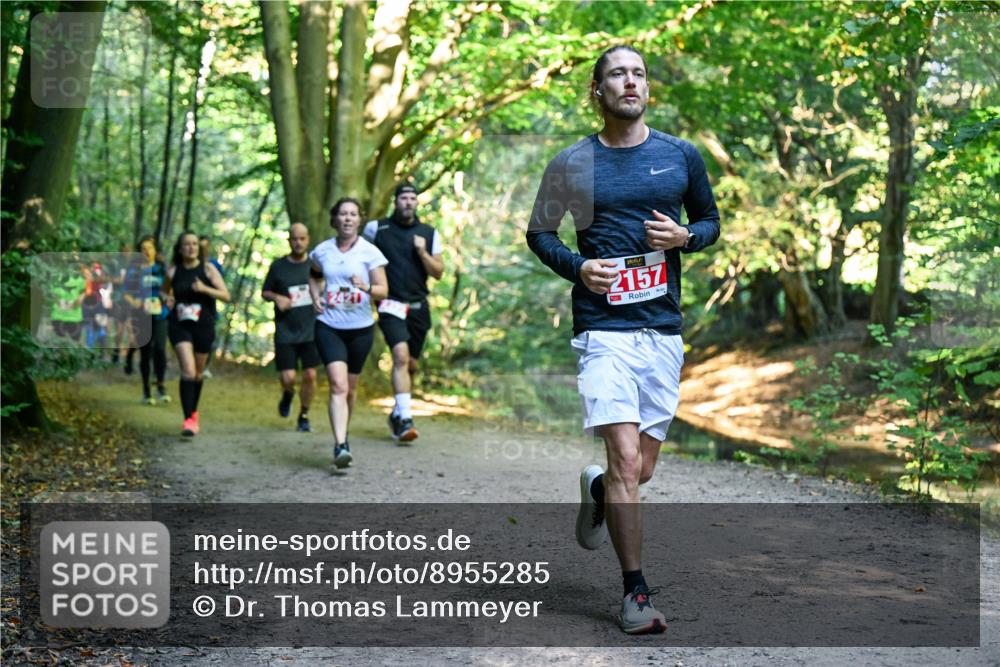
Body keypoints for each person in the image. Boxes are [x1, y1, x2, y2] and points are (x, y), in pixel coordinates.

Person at [526, 45, 720, 634]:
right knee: (626, 459)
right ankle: (635, 594)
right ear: (598, 91)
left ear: (646, 89)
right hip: (602, 329)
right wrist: (578, 268)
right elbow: (540, 233)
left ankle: (599, 489)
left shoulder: (680, 156)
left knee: (641, 472)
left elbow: (711, 223)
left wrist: (686, 237)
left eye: (637, 73)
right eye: (617, 74)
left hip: (661, 329)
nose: (629, 82)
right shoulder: (572, 162)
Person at [310, 198, 388, 468]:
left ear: (359, 220)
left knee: (351, 389)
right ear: (335, 219)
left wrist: (365, 287)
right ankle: (340, 444)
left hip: (360, 329)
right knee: (338, 385)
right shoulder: (322, 251)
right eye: (342, 214)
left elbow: (383, 290)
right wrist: (315, 296)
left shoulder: (370, 252)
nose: (347, 218)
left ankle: (344, 433)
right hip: (329, 325)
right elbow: (314, 274)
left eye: (352, 214)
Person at [363, 183, 444, 443]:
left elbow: (438, 272)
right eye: (403, 198)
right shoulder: (377, 229)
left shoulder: (429, 233)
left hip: (419, 307)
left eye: (412, 198)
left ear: (417, 203)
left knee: (410, 365)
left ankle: (397, 412)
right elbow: (361, 258)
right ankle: (407, 419)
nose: (408, 202)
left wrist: (421, 251)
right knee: (400, 356)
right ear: (395, 201)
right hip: (390, 304)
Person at [162, 230, 230, 436]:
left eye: (194, 244)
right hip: (180, 324)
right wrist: (168, 298)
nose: (191, 247)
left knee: (198, 374)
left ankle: (193, 413)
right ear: (180, 249)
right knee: (188, 371)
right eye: (187, 244)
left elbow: (226, 295)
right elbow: (164, 291)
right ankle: (188, 419)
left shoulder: (208, 269)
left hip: (204, 325)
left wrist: (204, 289)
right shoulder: (174, 271)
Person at [262, 223, 320, 432]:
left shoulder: (315, 266)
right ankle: (288, 394)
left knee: (310, 375)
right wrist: (277, 297)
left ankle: (304, 415)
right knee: (288, 378)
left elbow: (327, 287)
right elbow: (265, 292)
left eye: (302, 239)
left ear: (308, 239)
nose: (298, 243)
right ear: (289, 240)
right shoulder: (278, 266)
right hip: (286, 330)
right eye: (295, 239)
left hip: (311, 330)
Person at [123, 235, 170, 405]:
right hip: (141, 316)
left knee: (160, 349)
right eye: (143, 248)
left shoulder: (162, 269)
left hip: (160, 315)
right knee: (145, 352)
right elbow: (126, 293)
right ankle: (146, 390)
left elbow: (170, 291)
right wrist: (135, 302)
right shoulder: (134, 271)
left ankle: (161, 386)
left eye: (149, 248)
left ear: (155, 250)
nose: (146, 251)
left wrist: (166, 299)